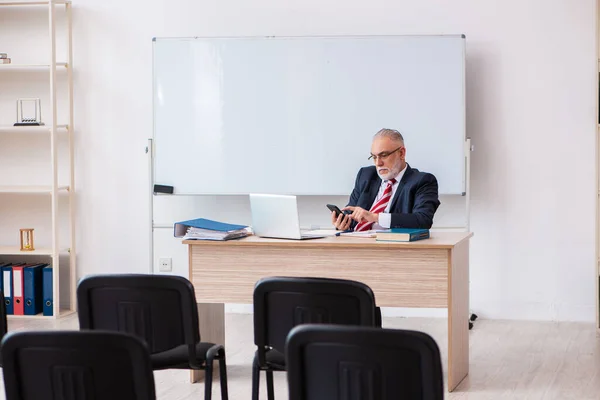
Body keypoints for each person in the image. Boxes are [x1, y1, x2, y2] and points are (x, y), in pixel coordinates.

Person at [332, 128, 440, 231]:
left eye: (383, 155)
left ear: (401, 153)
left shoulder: (422, 181)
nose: (378, 163)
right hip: (357, 243)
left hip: (392, 247)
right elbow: (351, 214)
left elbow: (423, 220)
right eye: (374, 157)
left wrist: (376, 217)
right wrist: (343, 224)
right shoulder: (365, 175)